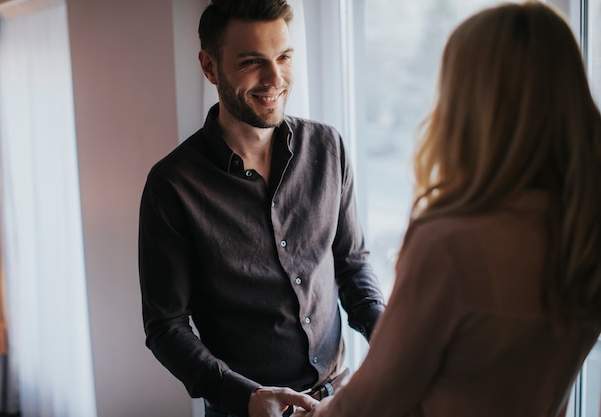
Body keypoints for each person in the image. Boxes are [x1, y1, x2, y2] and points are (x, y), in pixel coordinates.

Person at [293, 2, 601, 416]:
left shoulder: (452, 242)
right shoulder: (584, 229)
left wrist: (324, 412)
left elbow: (372, 405)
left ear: (471, 106)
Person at [137, 1, 386, 416]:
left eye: (284, 57)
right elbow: (165, 326)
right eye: (253, 62)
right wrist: (244, 397)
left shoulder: (329, 149)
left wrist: (389, 334)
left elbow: (352, 265)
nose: (275, 79)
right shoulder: (172, 186)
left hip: (342, 399)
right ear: (210, 67)